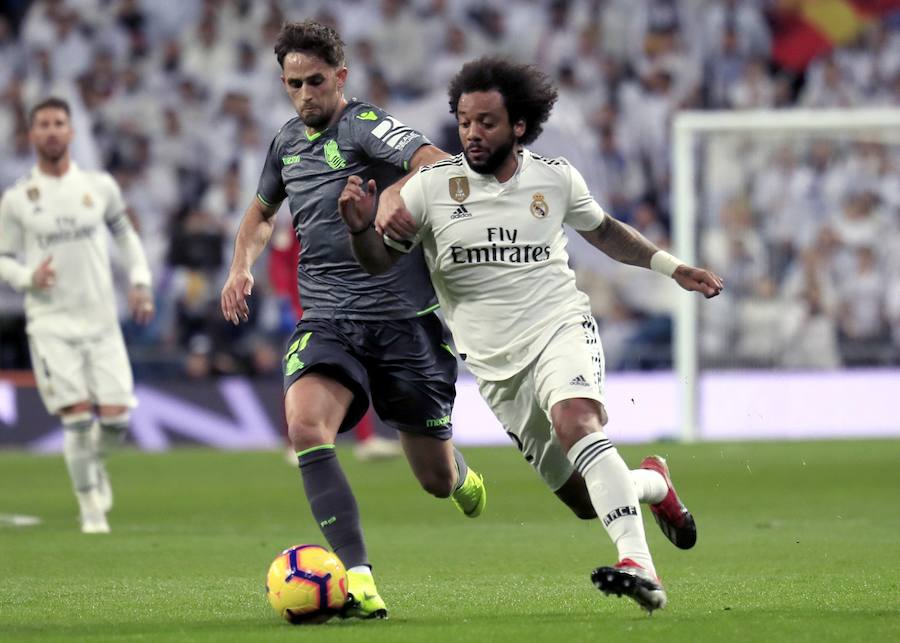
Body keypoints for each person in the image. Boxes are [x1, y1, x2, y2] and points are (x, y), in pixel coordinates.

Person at [338, 58, 724, 614]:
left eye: (487, 121)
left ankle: (639, 565)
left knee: (578, 422)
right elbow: (377, 263)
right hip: (496, 368)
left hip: (558, 327)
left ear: (519, 124)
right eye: (465, 120)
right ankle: (654, 485)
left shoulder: (554, 177)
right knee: (586, 499)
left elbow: (606, 233)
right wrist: (358, 229)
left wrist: (670, 267)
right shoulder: (429, 189)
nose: (473, 133)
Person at [219, 21, 486, 620]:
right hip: (329, 319)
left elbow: (438, 162)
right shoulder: (286, 143)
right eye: (295, 83)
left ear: (340, 77)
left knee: (436, 481)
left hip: (403, 323)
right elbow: (260, 214)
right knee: (306, 426)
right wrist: (241, 266)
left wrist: (396, 194)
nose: (306, 93)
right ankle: (358, 577)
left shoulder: (365, 126)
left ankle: (461, 472)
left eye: (317, 81)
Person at [0, 96, 154, 534]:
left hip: (102, 320)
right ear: (32, 135)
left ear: (70, 131)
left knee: (117, 420)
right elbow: (3, 257)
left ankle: (91, 466)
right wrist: (29, 275)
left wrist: (140, 282)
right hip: (50, 323)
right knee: (76, 416)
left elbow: (126, 239)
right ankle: (90, 507)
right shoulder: (18, 199)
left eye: (58, 123)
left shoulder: (99, 187)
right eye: (43, 124)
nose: (51, 131)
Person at [267, 228, 402, 462]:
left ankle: (365, 438)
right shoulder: (295, 226)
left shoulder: (337, 219)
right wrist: (284, 300)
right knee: (296, 372)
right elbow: (279, 264)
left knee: (357, 368)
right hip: (304, 311)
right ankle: (294, 442)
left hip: (337, 306)